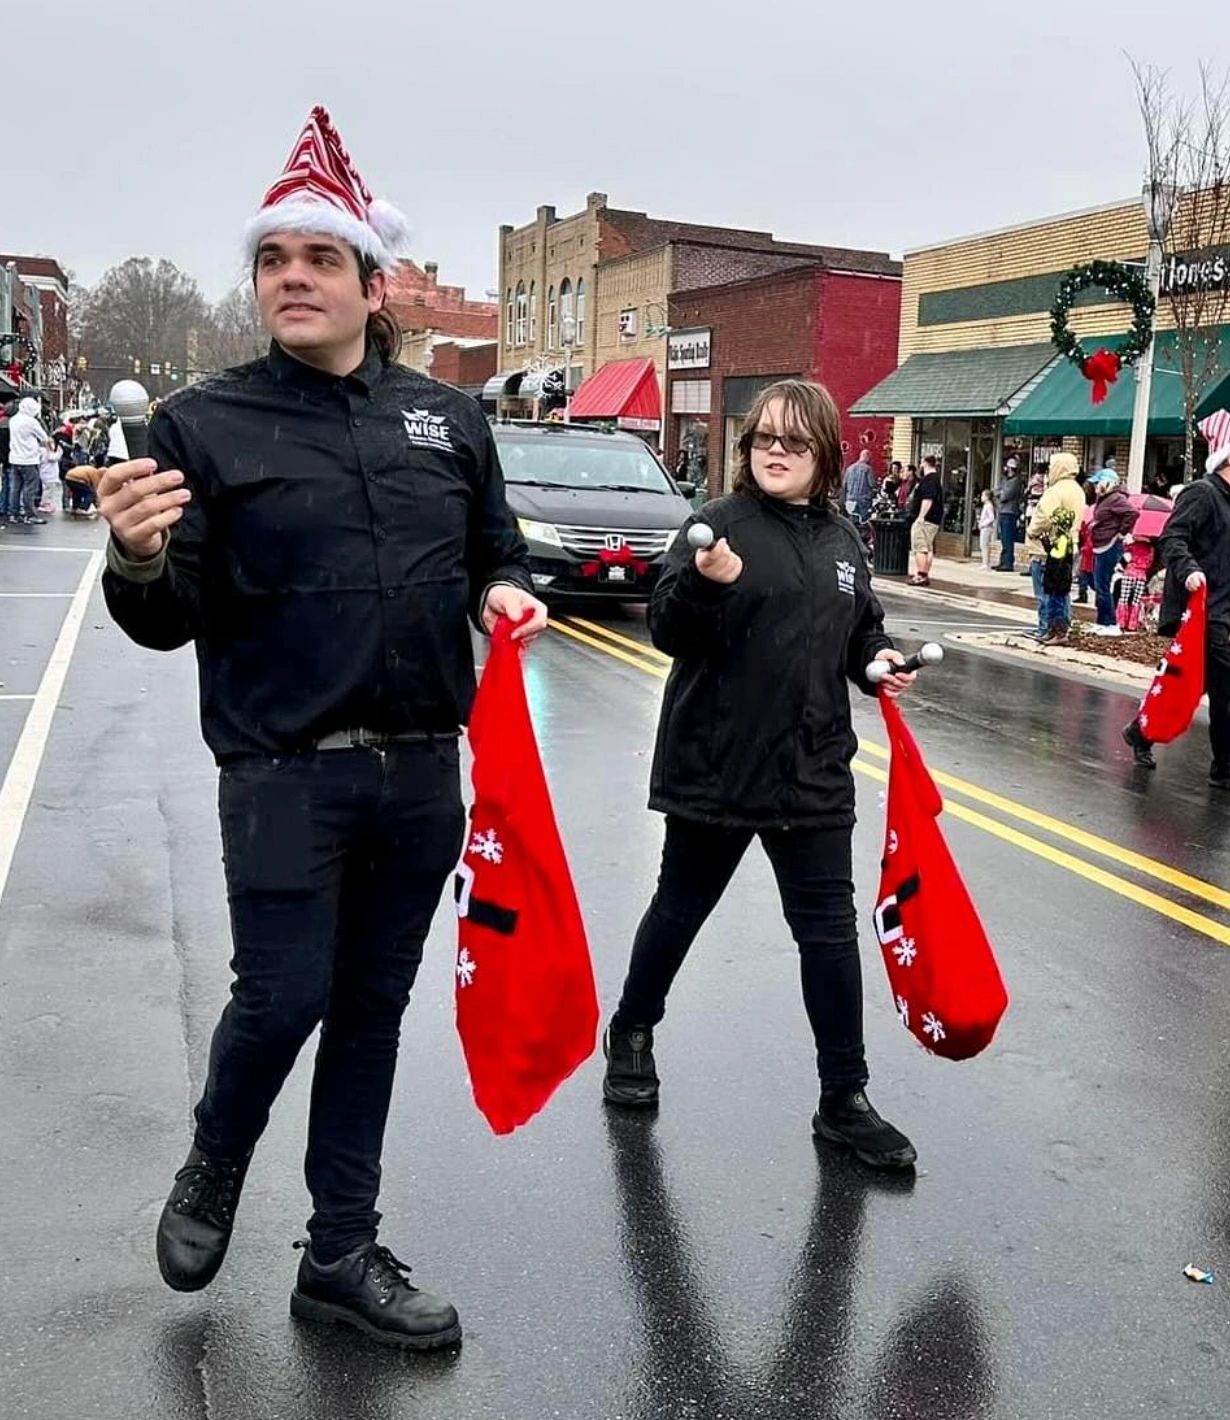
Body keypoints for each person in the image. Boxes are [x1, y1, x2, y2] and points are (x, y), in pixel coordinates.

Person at [99, 105, 546, 1349]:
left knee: (371, 1012)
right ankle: (214, 1161)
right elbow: (167, 614)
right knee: (282, 995)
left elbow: (491, 554)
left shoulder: (447, 422)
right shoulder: (205, 422)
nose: (291, 276)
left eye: (318, 257)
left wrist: (505, 591)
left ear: (370, 280)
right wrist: (137, 560)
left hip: (419, 779)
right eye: (272, 259)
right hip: (282, 772)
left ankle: (339, 1252)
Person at [600, 378, 919, 1171]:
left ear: (825, 455)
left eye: (794, 441)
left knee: (828, 937)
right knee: (680, 909)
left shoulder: (843, 542)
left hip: (812, 770)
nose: (775, 452)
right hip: (717, 765)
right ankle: (632, 1031)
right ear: (746, 451)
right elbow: (668, 630)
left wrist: (874, 662)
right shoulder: (715, 527)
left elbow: (858, 631)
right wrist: (708, 582)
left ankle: (844, 1097)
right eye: (763, 439)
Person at [1124, 440, 1230, 782]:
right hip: (1205, 611)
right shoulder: (1202, 494)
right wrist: (1188, 571)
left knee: (1186, 685)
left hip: (1225, 609)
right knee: (1225, 690)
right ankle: (1224, 767)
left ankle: (1141, 731)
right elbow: (1172, 538)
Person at [1024, 452, 1085, 641]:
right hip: (1069, 545)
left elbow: (1043, 518)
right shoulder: (1078, 491)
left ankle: (1046, 628)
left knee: (1046, 591)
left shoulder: (1055, 491)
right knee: (1062, 590)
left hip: (1046, 548)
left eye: (1052, 466)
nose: (1049, 471)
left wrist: (1031, 531)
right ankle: (1063, 627)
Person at [1087, 470, 1139, 637]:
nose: (1095, 487)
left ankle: (1110, 622)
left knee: (1103, 585)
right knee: (1098, 584)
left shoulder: (1116, 498)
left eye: (1098, 483)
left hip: (1108, 544)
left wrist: (1122, 532)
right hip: (1101, 543)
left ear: (1107, 483)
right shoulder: (1105, 499)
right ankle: (1102, 621)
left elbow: (1132, 513)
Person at [6, 396, 53, 526]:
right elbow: (44, 437)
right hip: (29, 459)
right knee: (30, 488)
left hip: (15, 458)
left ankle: (13, 514)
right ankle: (30, 514)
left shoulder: (13, 420)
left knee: (15, 488)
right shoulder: (31, 422)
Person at [908, 455, 943, 585]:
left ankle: (921, 575)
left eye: (922, 462)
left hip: (926, 519)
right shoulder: (936, 479)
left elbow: (927, 499)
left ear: (926, 463)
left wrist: (921, 517)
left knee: (919, 547)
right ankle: (925, 573)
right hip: (934, 519)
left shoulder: (929, 480)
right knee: (928, 547)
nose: (920, 466)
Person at [1117, 534, 1156, 633]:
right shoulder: (1150, 549)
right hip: (1141, 575)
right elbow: (1150, 563)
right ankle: (1132, 624)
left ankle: (1121, 622)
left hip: (1129, 573)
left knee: (1124, 598)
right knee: (1136, 600)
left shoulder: (1132, 546)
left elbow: (1125, 557)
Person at [993, 457, 1023, 571]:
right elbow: (996, 491)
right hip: (1002, 511)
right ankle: (1003, 561)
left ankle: (1008, 563)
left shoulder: (1015, 481)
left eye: (1007, 467)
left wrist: (1000, 493)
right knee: (1003, 539)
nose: (1005, 469)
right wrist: (999, 493)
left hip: (1010, 513)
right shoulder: (1005, 479)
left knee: (1008, 538)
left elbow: (1004, 496)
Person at [842, 445, 876, 525]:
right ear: (867, 457)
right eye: (870, 457)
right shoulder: (867, 469)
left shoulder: (849, 468)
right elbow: (872, 484)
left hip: (850, 500)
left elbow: (844, 485)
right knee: (862, 523)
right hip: (863, 501)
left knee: (851, 523)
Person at [978, 487, 996, 568]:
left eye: (983, 495)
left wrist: (983, 524)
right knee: (983, 545)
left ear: (987, 497)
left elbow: (991, 517)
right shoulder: (986, 505)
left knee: (984, 545)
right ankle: (985, 562)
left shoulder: (988, 506)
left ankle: (986, 563)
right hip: (985, 527)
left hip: (987, 528)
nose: (981, 497)